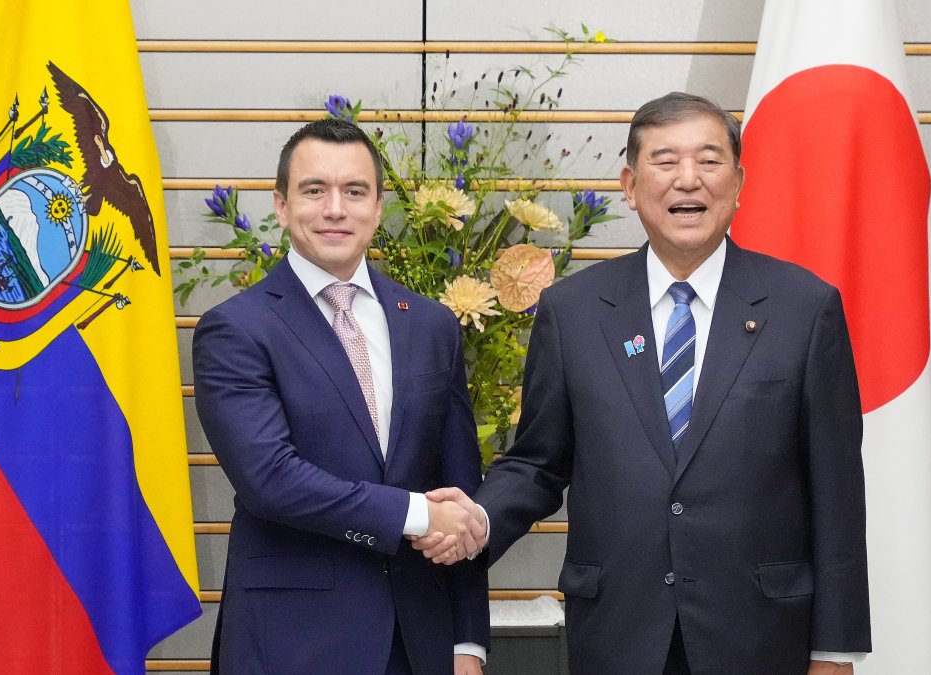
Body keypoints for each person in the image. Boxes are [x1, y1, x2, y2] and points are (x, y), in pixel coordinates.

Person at [416, 92, 871, 674]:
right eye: (665, 161)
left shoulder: (804, 308)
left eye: (709, 161)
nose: (688, 180)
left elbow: (836, 492)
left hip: (760, 638)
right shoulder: (574, 310)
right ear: (630, 186)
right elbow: (537, 462)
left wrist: (834, 651)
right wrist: (476, 519)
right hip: (618, 632)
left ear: (738, 183)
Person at [193, 118, 489, 675]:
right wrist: (416, 514)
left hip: (418, 642)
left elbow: (460, 487)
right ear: (281, 206)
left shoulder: (431, 325)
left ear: (378, 208)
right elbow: (269, 479)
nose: (335, 209)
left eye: (354, 191)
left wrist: (467, 641)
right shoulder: (235, 329)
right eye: (314, 191)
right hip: (292, 645)